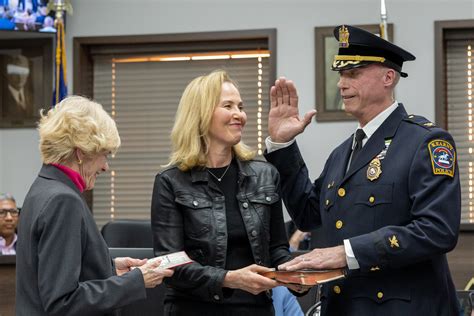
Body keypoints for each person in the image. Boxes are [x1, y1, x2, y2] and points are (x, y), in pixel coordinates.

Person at [265, 25, 461, 315]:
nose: (341, 84)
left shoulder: (426, 141)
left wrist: (345, 253)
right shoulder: (342, 153)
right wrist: (282, 145)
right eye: (341, 75)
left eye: (353, 74)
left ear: (388, 77)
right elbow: (309, 215)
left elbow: (437, 231)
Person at [151, 70, 299, 315]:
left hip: (256, 309)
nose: (239, 115)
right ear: (200, 114)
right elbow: (171, 264)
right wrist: (229, 278)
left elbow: (277, 249)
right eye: (228, 106)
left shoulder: (265, 174)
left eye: (240, 107)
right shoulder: (171, 182)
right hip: (193, 310)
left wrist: (295, 275)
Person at [16, 96, 174, 316]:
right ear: (81, 153)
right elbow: (63, 303)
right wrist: (136, 281)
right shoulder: (63, 201)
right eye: (104, 155)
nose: (105, 167)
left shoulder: (41, 188)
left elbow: (51, 271)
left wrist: (111, 268)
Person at [1, 54, 34, 119]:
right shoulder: (2, 97)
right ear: (7, 74)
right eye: (15, 72)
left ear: (28, 74)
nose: (20, 77)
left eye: (24, 71)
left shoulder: (32, 95)